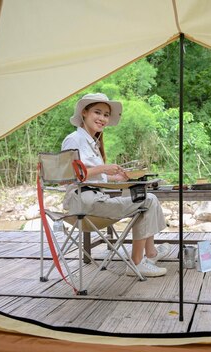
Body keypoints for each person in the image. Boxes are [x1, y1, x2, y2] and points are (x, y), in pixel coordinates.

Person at [61, 93, 171, 277]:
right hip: (84, 203)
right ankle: (137, 263)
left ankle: (150, 254)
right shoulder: (74, 139)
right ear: (84, 112)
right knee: (147, 199)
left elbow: (90, 176)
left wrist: (114, 178)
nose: (103, 118)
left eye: (106, 115)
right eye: (98, 112)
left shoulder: (92, 143)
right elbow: (68, 176)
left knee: (142, 195)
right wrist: (103, 168)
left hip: (94, 198)